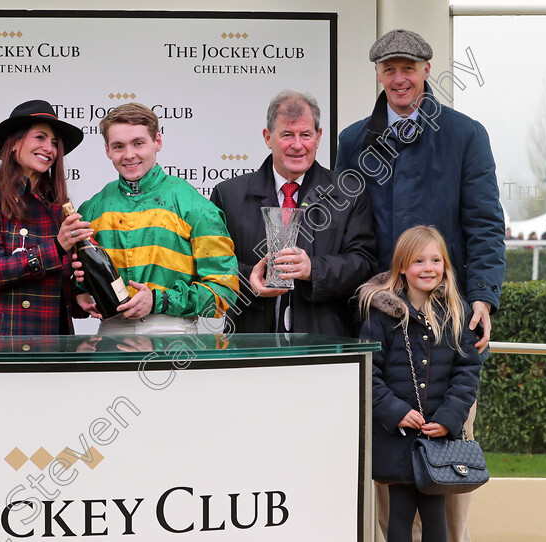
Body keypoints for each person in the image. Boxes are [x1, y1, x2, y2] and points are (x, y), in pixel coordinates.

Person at [335, 30, 503, 541]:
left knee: (448, 468)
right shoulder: (353, 140)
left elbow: (485, 224)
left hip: (448, 319)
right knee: (389, 471)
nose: (399, 78)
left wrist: (482, 296)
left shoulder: (465, 134)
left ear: (428, 70)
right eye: (389, 70)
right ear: (379, 76)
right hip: (383, 320)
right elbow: (346, 227)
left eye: (408, 67)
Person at [210, 90, 377, 335]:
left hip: (325, 342)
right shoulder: (228, 195)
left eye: (306, 135)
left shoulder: (350, 194)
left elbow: (365, 264)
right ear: (268, 137)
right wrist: (249, 278)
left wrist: (313, 269)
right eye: (287, 135)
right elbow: (211, 265)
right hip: (250, 344)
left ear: (318, 137)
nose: (297, 145)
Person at [359, 225, 481, 542]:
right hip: (396, 435)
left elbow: (467, 372)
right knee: (399, 514)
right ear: (402, 266)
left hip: (437, 436)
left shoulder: (455, 312)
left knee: (435, 513)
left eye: (436, 261)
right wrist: (395, 410)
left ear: (445, 266)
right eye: (418, 261)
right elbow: (368, 370)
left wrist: (448, 419)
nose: (428, 268)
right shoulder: (379, 315)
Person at [76, 103, 238, 334]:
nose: (129, 154)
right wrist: (79, 289)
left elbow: (226, 289)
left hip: (172, 336)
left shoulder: (195, 206)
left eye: (138, 143)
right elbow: (80, 285)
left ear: (158, 141)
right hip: (109, 336)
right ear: (107, 150)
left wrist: (158, 301)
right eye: (119, 146)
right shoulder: (92, 209)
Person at [0, 100, 90, 335]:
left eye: (54, 143)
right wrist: (56, 247)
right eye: (40, 138)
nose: (49, 148)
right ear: (13, 143)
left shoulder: (59, 205)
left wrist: (78, 297)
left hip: (55, 340)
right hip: (3, 341)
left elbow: (55, 285)